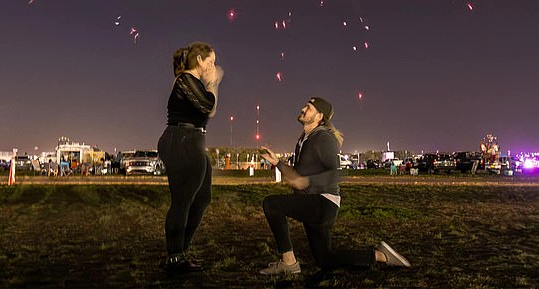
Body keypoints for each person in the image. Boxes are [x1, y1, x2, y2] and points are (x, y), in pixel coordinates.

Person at [260, 97, 411, 276]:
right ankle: (380, 256)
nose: (303, 109)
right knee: (325, 259)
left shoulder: (323, 137)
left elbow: (335, 173)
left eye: (308, 108)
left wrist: (308, 182)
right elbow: (297, 175)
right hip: (313, 200)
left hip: (323, 202)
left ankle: (289, 263)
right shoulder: (305, 140)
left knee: (272, 205)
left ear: (319, 116)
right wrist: (277, 162)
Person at [157, 41, 224, 273]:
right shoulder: (185, 80)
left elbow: (209, 108)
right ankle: (175, 257)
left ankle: (180, 251)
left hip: (193, 140)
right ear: (199, 60)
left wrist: (211, 83)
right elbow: (207, 106)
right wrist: (213, 82)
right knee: (182, 201)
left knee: (203, 198)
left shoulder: (194, 83)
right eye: (211, 61)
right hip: (181, 140)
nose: (213, 66)